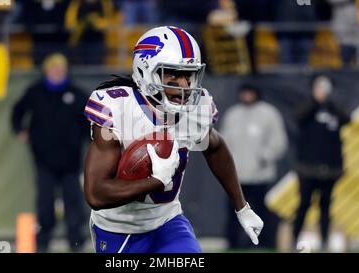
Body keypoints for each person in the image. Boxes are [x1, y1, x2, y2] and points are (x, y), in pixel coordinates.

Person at [83, 26, 263, 253]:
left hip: (167, 222)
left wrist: (242, 207)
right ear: (145, 70)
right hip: (119, 229)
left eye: (188, 75)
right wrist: (155, 181)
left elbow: (215, 148)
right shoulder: (118, 108)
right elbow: (95, 193)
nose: (184, 85)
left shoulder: (195, 110)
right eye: (173, 74)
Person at [11, 53, 90, 252]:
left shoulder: (77, 94)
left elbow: (91, 121)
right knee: (45, 204)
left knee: (74, 203)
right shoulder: (35, 92)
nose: (57, 72)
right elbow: (17, 112)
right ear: (46, 70)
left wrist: (92, 139)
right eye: (53, 68)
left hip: (71, 161)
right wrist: (19, 130)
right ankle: (43, 241)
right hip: (44, 160)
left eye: (60, 68)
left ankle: (76, 241)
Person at [220, 84, 288, 249]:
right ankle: (234, 244)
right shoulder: (233, 114)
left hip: (260, 175)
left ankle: (265, 243)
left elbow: (279, 142)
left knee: (261, 211)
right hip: (236, 176)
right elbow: (222, 142)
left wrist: (264, 158)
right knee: (234, 212)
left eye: (250, 93)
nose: (247, 96)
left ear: (257, 94)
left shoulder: (269, 113)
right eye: (244, 93)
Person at [292, 75, 351, 251]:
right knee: (303, 204)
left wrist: (329, 102)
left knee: (325, 207)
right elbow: (298, 117)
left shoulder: (333, 108)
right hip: (308, 168)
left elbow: (347, 118)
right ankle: (294, 239)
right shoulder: (308, 106)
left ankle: (324, 240)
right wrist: (315, 101)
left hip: (330, 168)